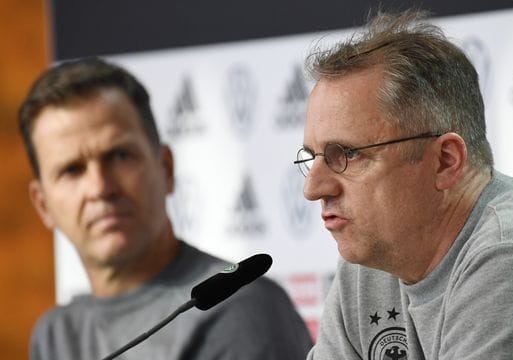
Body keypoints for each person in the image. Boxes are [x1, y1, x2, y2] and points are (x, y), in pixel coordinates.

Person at [295, 10, 513, 360]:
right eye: (313, 156)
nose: (314, 189)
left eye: (346, 155)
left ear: (445, 161)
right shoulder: (369, 267)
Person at [19, 57, 312, 360]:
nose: (100, 188)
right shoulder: (54, 335)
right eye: (72, 170)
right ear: (43, 205)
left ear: (166, 169)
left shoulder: (239, 307)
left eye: (119, 155)